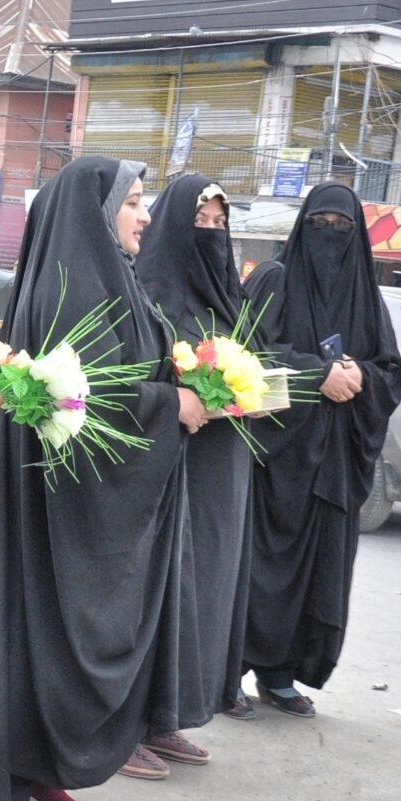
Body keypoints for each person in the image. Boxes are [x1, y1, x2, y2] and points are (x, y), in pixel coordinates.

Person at [0, 157, 199, 801]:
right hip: (51, 507)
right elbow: (90, 396)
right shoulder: (73, 289)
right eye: (133, 203)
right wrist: (172, 403)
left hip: (83, 506)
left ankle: (35, 768)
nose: (145, 216)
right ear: (96, 214)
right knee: (29, 632)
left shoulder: (111, 280)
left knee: (57, 641)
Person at [240, 183, 401, 717]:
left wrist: (362, 377)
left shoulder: (366, 295)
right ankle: (224, 674)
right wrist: (320, 377)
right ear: (301, 226)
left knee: (319, 572)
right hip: (275, 461)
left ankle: (282, 675)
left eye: (343, 227)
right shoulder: (276, 281)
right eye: (319, 224)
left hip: (334, 463)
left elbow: (391, 372)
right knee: (255, 568)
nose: (330, 235)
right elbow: (248, 359)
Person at [131, 174, 246, 770]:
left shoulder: (227, 297)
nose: (212, 234)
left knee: (197, 592)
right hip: (166, 463)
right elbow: (141, 375)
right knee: (158, 588)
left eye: (220, 224)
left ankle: (166, 716)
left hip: (218, 466)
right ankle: (128, 728)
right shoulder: (150, 287)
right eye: (201, 223)